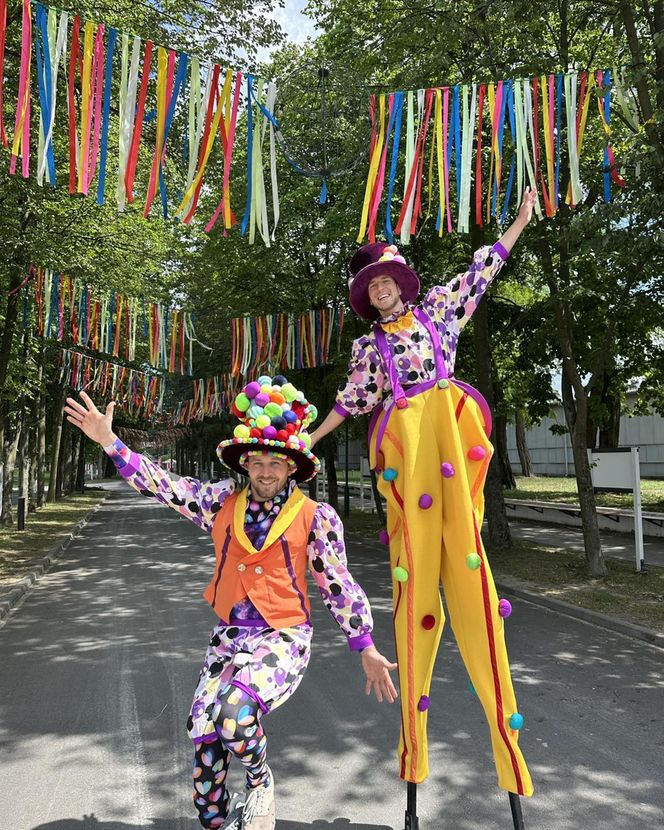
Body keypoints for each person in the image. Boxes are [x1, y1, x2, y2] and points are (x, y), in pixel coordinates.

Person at [64, 376, 398, 830]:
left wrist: (366, 647)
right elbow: (165, 487)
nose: (264, 472)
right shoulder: (221, 501)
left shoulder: (314, 517)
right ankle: (219, 821)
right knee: (204, 755)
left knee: (234, 718)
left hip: (284, 636)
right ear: (245, 464)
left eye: (275, 464)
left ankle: (260, 782)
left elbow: (337, 584)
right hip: (228, 637)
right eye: (257, 462)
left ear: (292, 468)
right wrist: (110, 441)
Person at [309, 190, 538, 799]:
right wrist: (308, 439)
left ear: (400, 281)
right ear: (366, 295)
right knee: (416, 581)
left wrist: (516, 224)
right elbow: (351, 402)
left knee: (471, 569)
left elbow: (481, 272)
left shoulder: (439, 310)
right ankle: (413, 748)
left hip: (451, 438)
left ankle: (508, 754)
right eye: (370, 284)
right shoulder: (367, 348)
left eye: (385, 278)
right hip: (410, 450)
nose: (380, 288)